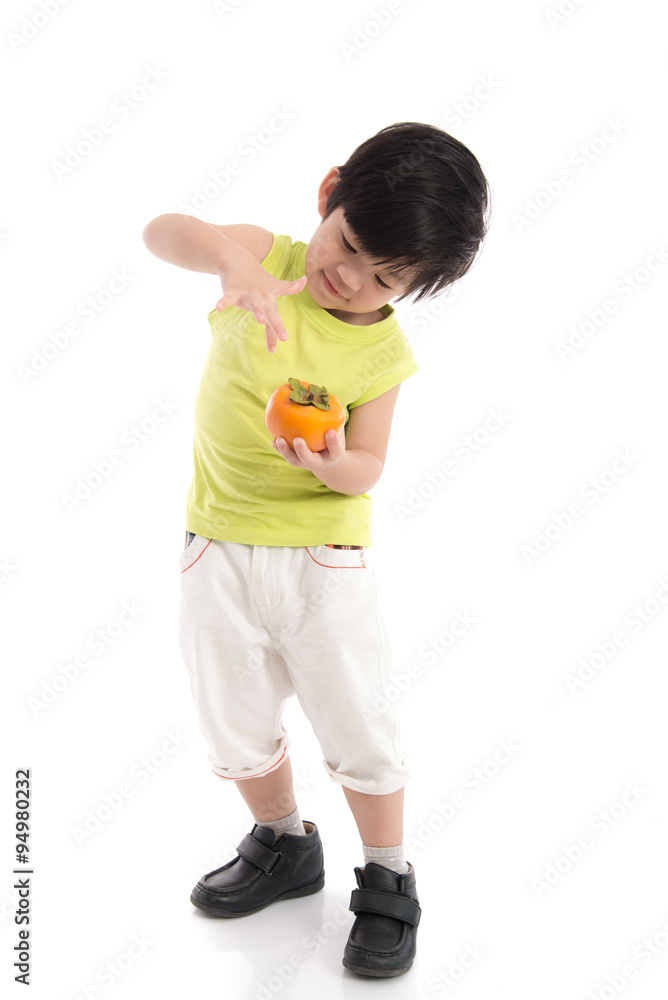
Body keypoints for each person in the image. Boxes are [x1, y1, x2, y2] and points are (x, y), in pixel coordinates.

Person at [142, 121, 490, 978]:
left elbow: (369, 464)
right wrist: (230, 260)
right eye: (350, 245)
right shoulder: (268, 257)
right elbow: (162, 230)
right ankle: (284, 841)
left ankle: (388, 873)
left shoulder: (380, 350)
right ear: (329, 192)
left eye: (386, 278)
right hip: (216, 543)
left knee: (356, 718)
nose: (348, 279)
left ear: (414, 290)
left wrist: (334, 465)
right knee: (234, 718)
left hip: (321, 563)